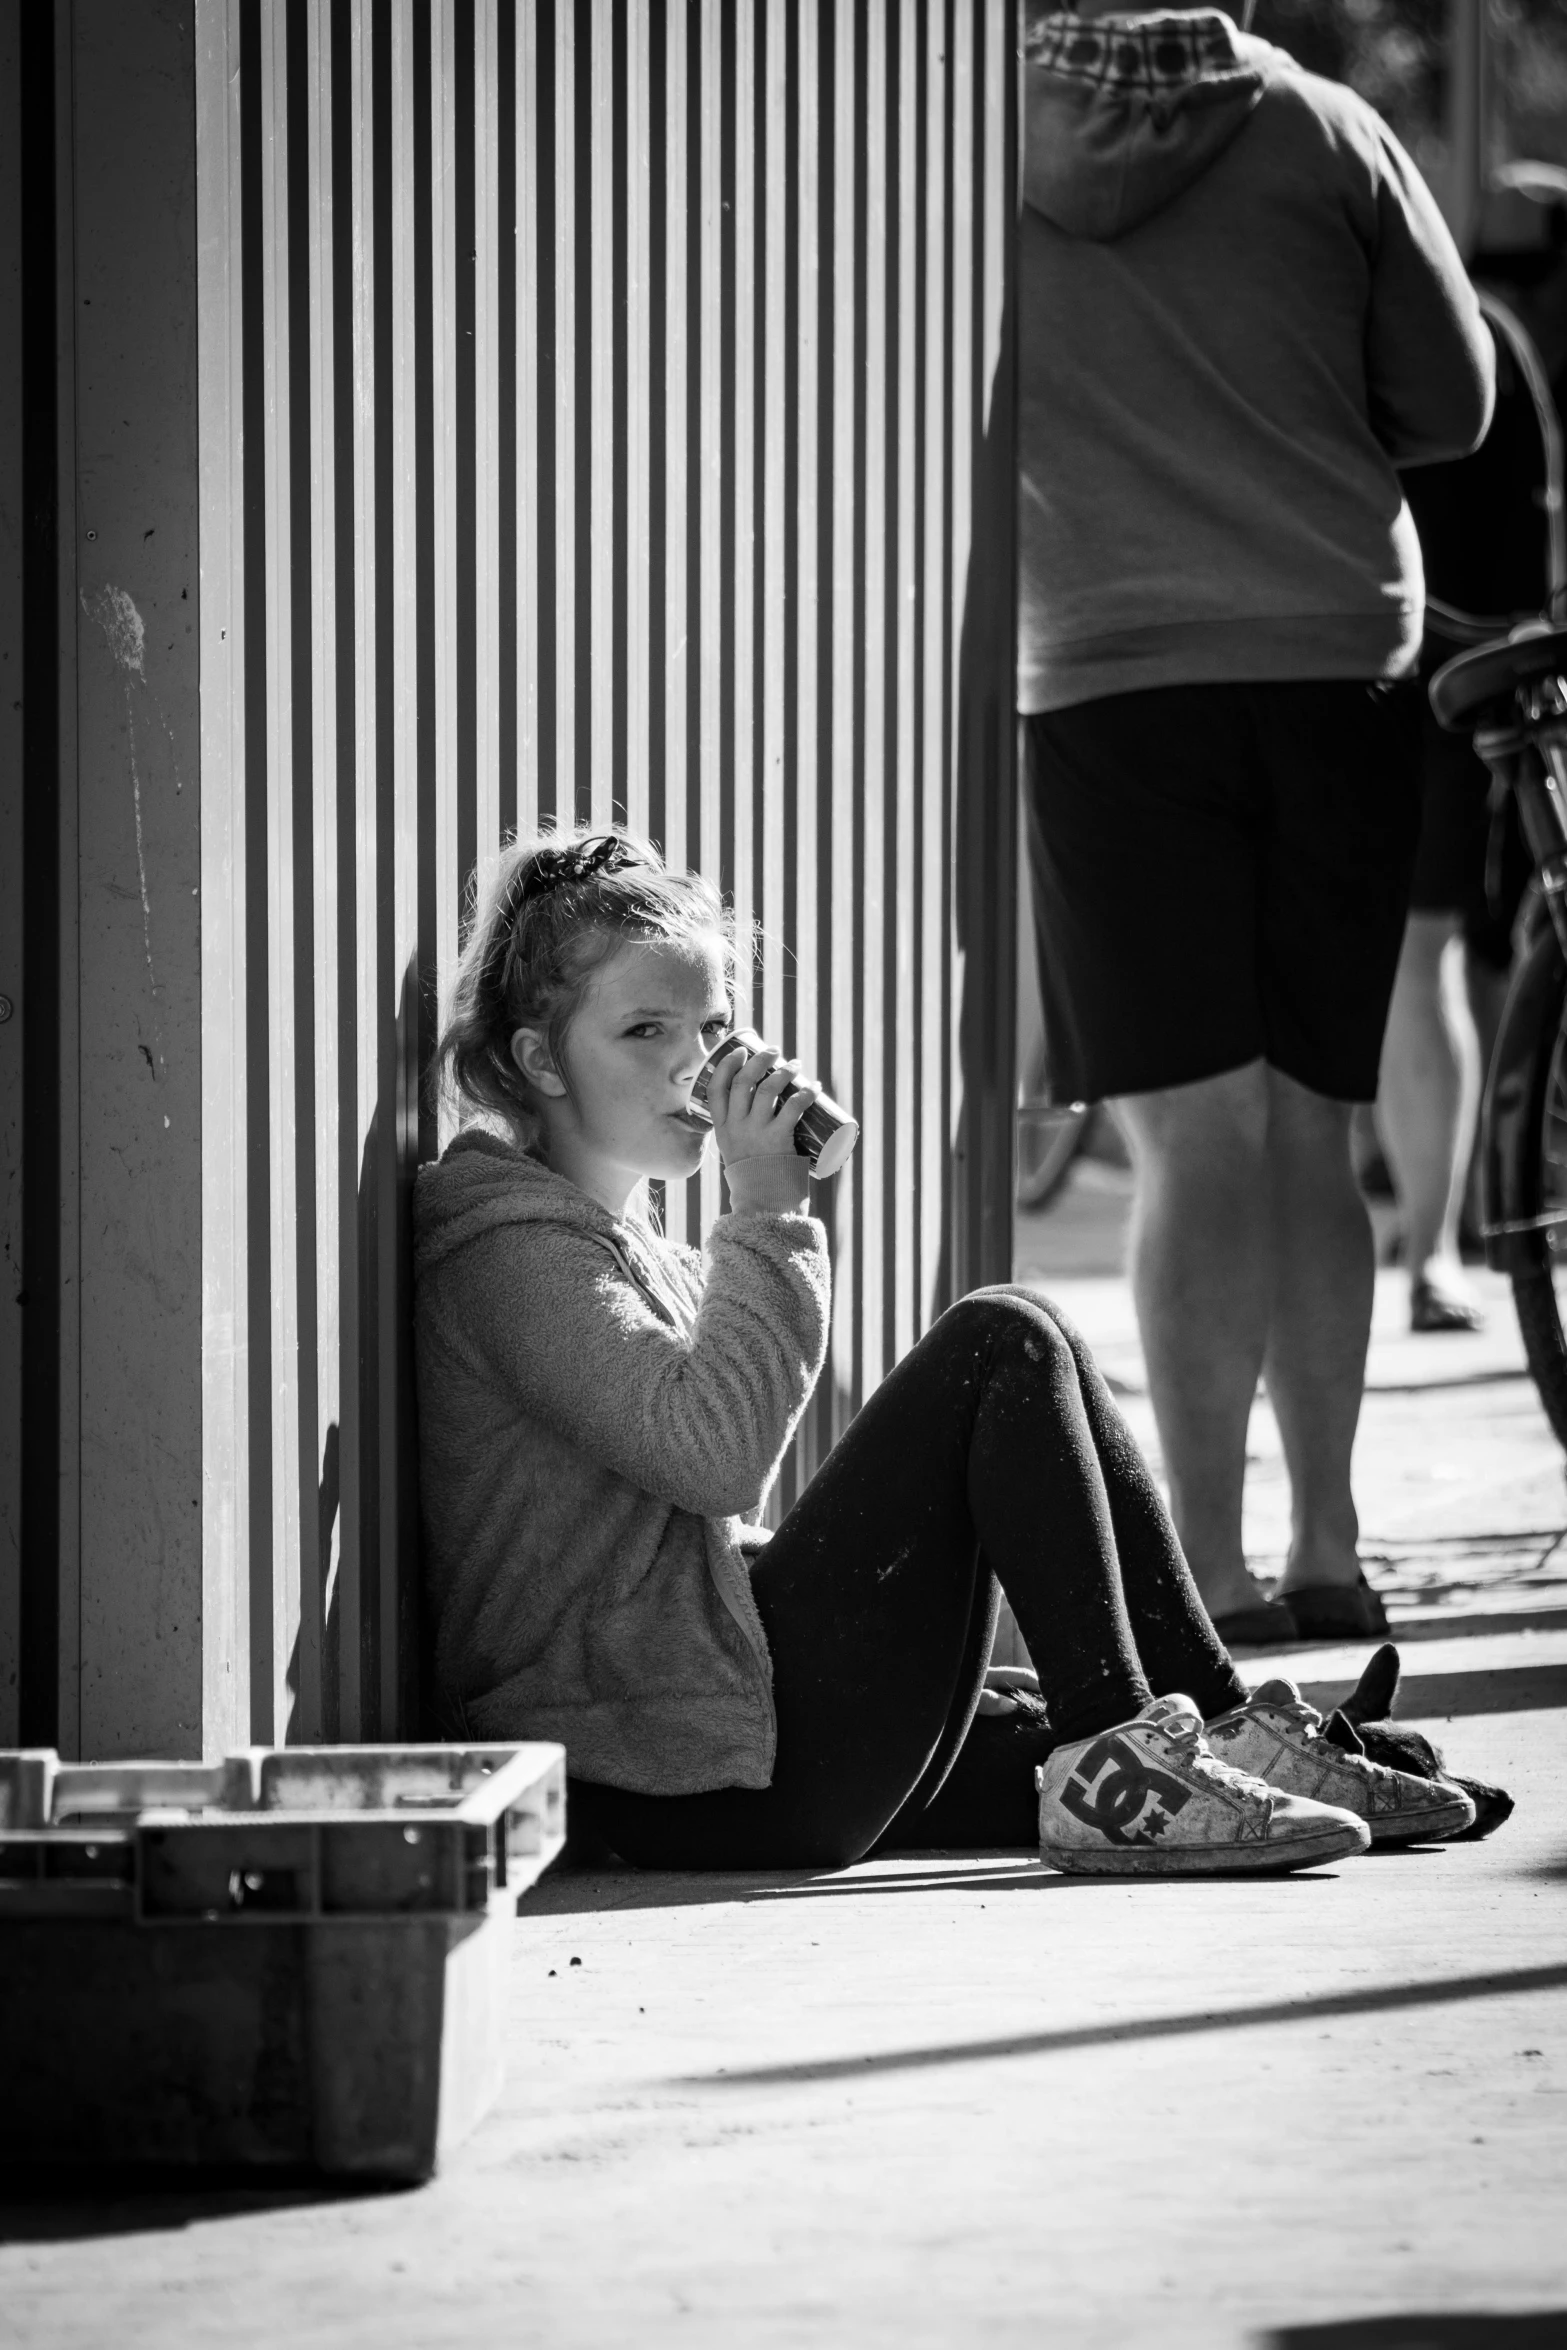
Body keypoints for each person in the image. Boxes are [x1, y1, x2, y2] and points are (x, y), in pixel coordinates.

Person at [412, 828, 1474, 1877]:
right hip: (659, 1788)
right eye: (646, 1029)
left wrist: (985, 1669)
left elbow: (682, 1549)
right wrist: (768, 1211)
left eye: (714, 1024)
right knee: (998, 1343)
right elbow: (716, 1460)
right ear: (538, 1058)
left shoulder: (636, 1246)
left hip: (715, 1740)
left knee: (1032, 1681)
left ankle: (1217, 1730)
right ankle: (1119, 1757)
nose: (695, 1064)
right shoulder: (508, 1251)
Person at [1017, 1, 1496, 1645]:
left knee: (1190, 1147)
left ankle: (1205, 1577)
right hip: (1328, 653)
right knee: (1308, 1125)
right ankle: (1326, 1547)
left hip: (1101, 667)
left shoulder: (971, 141)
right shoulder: (1318, 127)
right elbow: (1456, 401)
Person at [1379, 288, 1563, 1331]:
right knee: (1416, 960)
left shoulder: (1471, 331)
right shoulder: (1479, 329)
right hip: (1386, 667)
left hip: (1434, 681)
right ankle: (1428, 1253)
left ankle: (1431, 1251)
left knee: (1421, 954)